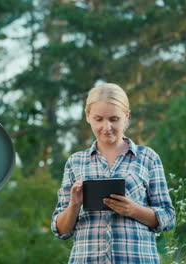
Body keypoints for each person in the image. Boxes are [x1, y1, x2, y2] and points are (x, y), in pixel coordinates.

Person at [51, 83, 175, 263]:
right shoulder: (75, 162)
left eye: (114, 119)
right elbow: (61, 230)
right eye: (99, 119)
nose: (106, 127)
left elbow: (168, 218)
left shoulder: (147, 157)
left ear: (127, 116)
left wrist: (134, 210)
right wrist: (74, 205)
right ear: (88, 116)